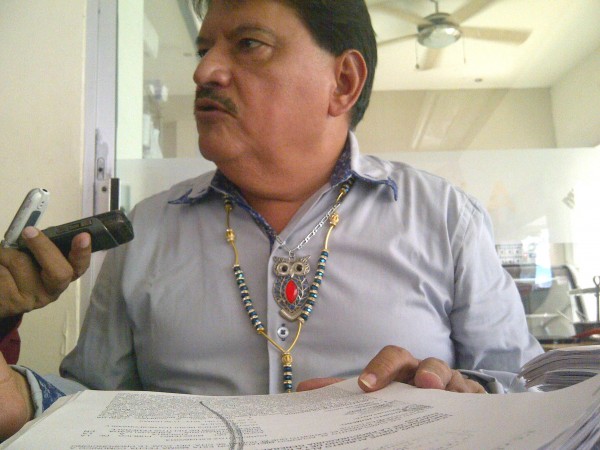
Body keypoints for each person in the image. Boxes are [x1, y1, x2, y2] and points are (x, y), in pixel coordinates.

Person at [0, 0, 543, 440]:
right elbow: (95, 406)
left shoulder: (445, 219)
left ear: (344, 82)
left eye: (248, 44)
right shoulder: (148, 231)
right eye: (205, 47)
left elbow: (527, 395)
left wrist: (474, 401)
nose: (204, 70)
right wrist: (22, 397)